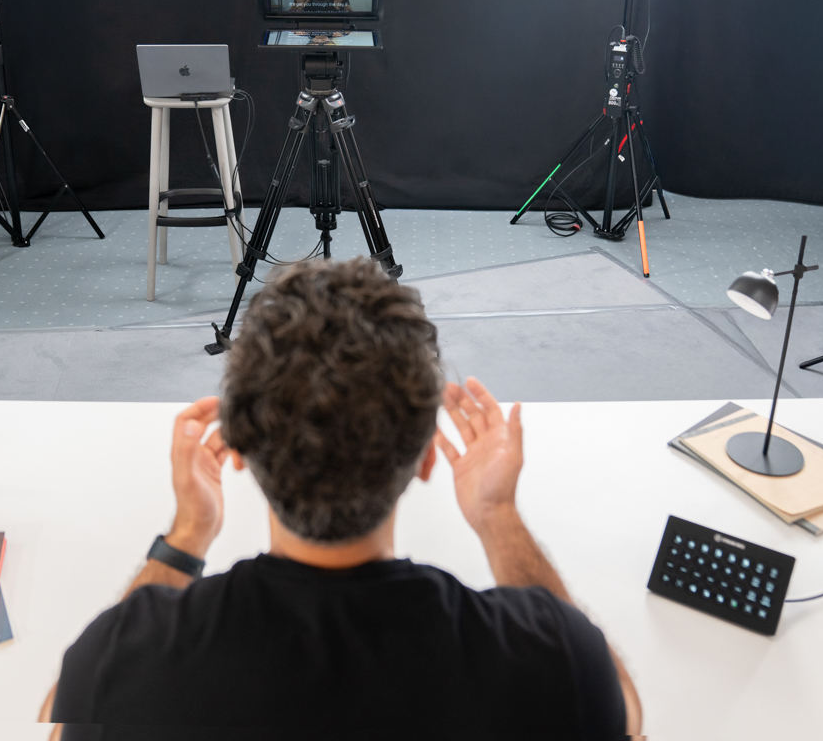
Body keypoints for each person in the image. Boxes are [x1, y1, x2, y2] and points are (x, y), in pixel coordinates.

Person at [42, 258, 643, 738]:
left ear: (240, 450)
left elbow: (61, 715)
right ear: (426, 458)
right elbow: (625, 713)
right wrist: (496, 516)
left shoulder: (123, 658)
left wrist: (188, 534)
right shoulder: (548, 657)